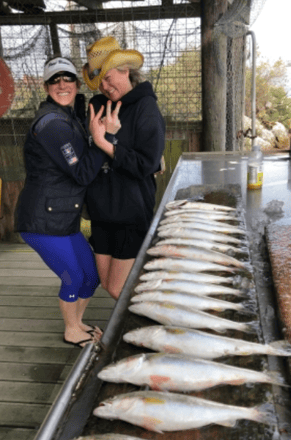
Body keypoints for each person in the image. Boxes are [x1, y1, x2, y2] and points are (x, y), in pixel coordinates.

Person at [15, 55, 121, 347]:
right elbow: (83, 172)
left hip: (64, 218)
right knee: (73, 276)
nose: (62, 85)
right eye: (55, 80)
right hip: (41, 221)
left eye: (68, 78)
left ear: (75, 83)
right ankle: (71, 330)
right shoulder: (52, 124)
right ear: (46, 86)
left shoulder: (70, 116)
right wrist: (107, 139)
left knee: (90, 275)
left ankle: (77, 323)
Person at [82, 36, 166, 300]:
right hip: (101, 211)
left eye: (110, 78)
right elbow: (86, 151)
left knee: (120, 288)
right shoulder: (96, 106)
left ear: (126, 71)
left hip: (130, 211)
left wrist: (106, 142)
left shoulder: (146, 108)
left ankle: (148, 329)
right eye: (100, 82)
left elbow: (146, 164)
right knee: (107, 284)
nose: (106, 87)